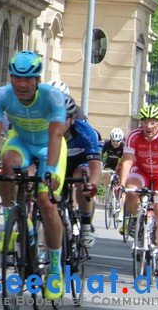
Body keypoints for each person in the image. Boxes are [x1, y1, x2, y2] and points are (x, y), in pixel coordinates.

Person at [0, 50, 67, 300]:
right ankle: (11, 222)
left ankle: (55, 268)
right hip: (21, 142)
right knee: (7, 164)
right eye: (17, 78)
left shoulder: (53, 97)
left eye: (28, 79)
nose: (22, 84)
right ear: (11, 78)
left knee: (46, 202)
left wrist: (49, 170)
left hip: (49, 147)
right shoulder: (1, 95)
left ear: (38, 79)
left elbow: (56, 136)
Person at [117, 104, 158, 275]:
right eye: (145, 122)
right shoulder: (134, 136)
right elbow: (127, 160)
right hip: (141, 170)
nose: (148, 126)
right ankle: (135, 219)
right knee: (130, 189)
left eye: (152, 123)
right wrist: (121, 184)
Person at [59, 93, 102, 248]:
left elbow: (95, 165)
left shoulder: (85, 132)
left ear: (72, 119)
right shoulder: (46, 128)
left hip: (80, 161)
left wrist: (93, 185)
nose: (58, 122)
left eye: (62, 118)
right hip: (58, 162)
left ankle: (85, 224)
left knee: (83, 179)